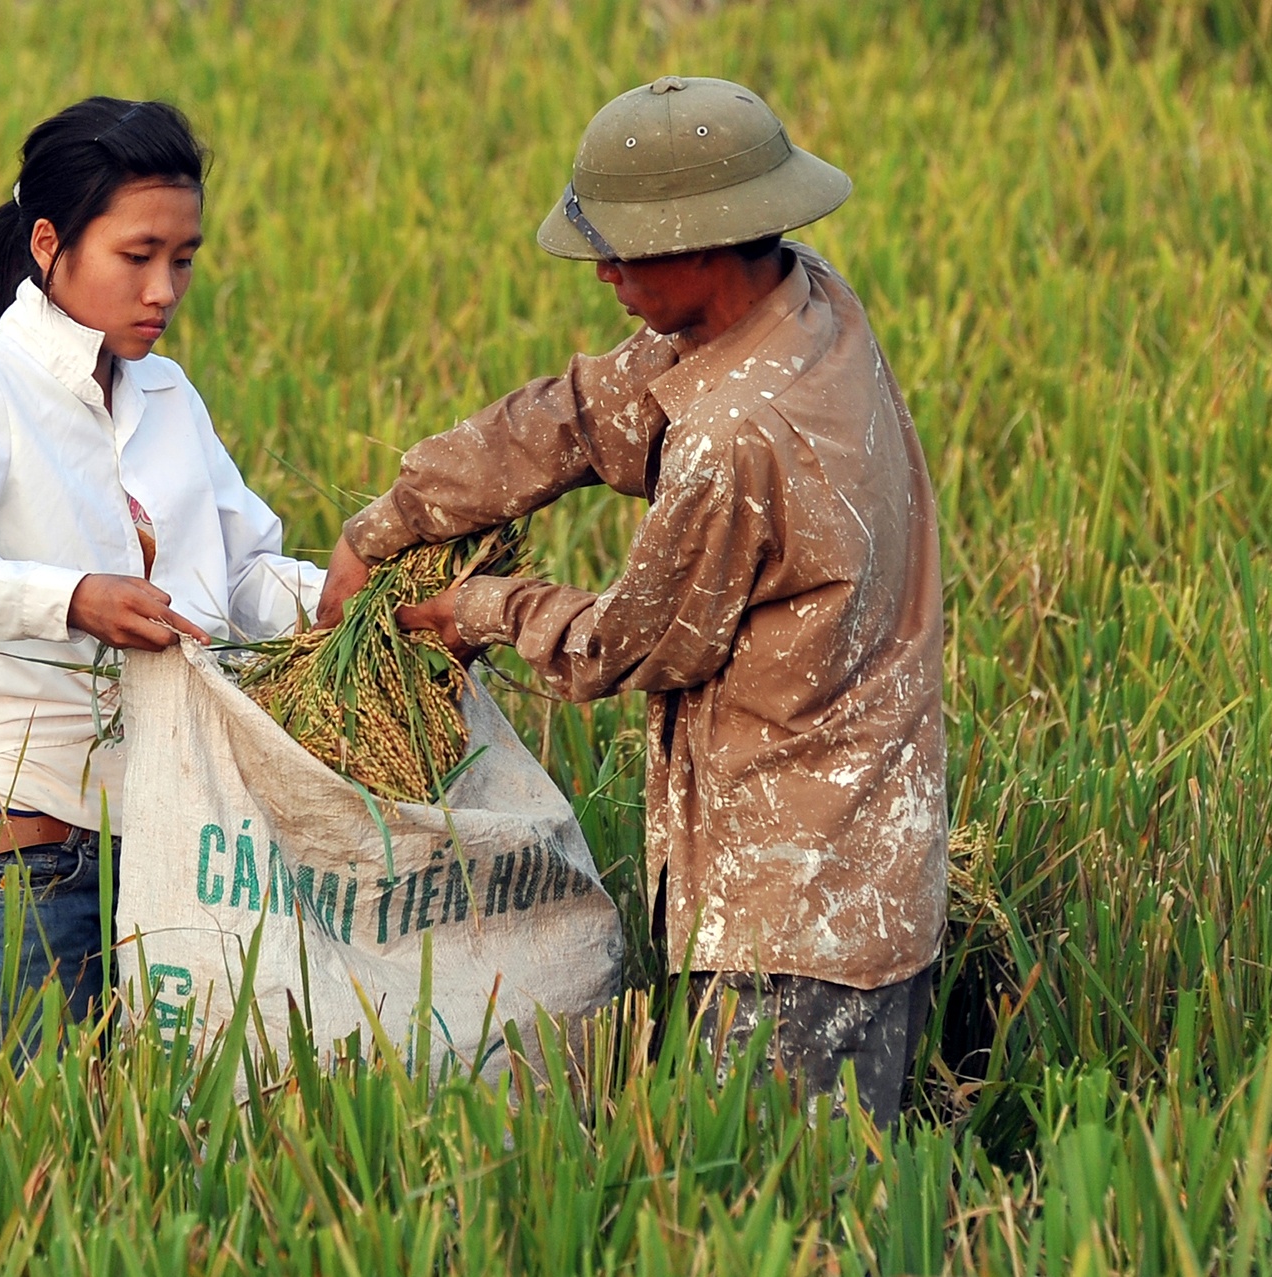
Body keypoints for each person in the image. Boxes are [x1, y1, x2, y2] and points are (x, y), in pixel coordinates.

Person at [317, 76, 946, 1127]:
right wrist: (385, 525)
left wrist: (476, 610)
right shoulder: (803, 295)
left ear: (707, 242)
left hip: (791, 913)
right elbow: (575, 415)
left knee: (773, 1205)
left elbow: (626, 645)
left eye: (622, 249)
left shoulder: (741, 437)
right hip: (868, 865)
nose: (601, 270)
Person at [0, 97, 323, 1060]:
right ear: (48, 244)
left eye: (184, 259)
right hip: (39, 852)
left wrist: (360, 605)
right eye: (138, 255)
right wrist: (70, 598)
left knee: (179, 1135)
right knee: (49, 1147)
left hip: (186, 839)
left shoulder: (167, 394)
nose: (164, 289)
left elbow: (242, 583)